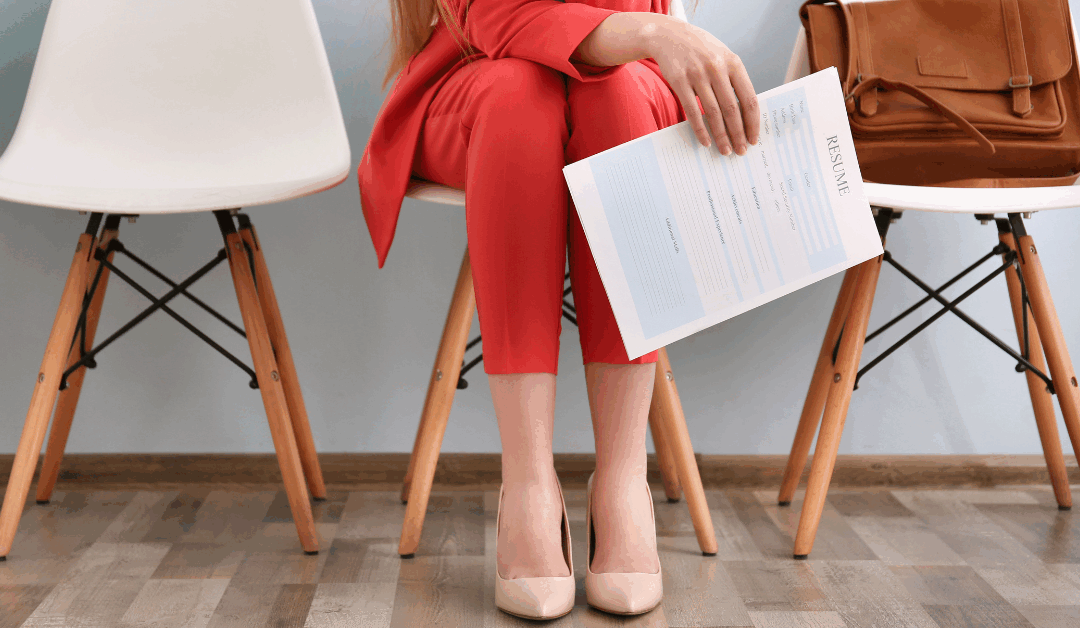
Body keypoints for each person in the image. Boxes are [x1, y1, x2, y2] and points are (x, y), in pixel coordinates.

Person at [358, 0, 758, 619]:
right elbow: (491, 13)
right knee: (519, 98)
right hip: (477, 69)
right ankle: (526, 486)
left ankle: (624, 482)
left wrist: (645, 32)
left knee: (616, 98)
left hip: (632, 79)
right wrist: (652, 29)